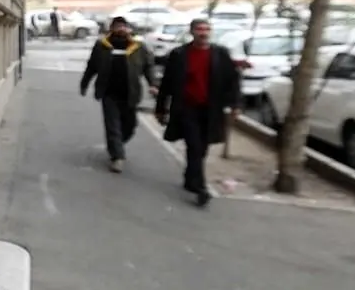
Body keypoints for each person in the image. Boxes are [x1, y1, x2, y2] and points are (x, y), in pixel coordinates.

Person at [154, 18, 241, 207]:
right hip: (186, 108)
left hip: (210, 109)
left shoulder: (220, 54)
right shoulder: (179, 54)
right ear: (192, 32)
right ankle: (201, 189)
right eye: (200, 29)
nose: (203, 33)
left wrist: (235, 105)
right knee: (194, 146)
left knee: (201, 148)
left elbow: (232, 81)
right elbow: (167, 83)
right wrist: (161, 108)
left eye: (207, 29)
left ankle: (189, 177)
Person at [80, 16, 157, 173]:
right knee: (112, 125)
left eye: (123, 26)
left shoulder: (138, 47)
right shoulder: (102, 46)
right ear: (112, 29)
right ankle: (117, 157)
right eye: (117, 26)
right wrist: (84, 84)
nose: (121, 29)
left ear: (128, 29)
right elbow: (92, 66)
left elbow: (148, 66)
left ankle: (116, 144)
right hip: (109, 92)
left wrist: (153, 84)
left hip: (131, 93)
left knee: (130, 126)